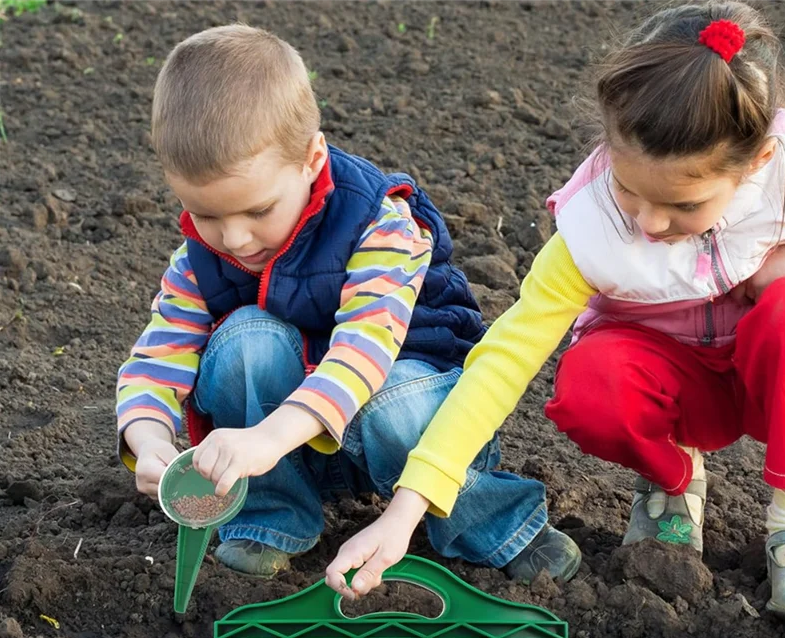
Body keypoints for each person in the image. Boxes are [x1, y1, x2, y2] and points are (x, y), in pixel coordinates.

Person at [327, 1, 785, 620]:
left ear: (756, 163)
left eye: (683, 205)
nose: (650, 223)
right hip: (672, 384)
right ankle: (673, 478)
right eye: (630, 190)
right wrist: (404, 510)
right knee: (591, 382)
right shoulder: (592, 231)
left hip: (773, 378)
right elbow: (501, 362)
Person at [115, 24, 582, 584]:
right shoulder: (200, 256)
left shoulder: (381, 222)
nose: (234, 238)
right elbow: (157, 356)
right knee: (244, 343)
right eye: (207, 215)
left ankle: (494, 525)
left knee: (395, 405)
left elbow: (363, 352)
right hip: (293, 447)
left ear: (312, 160)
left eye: (257, 211)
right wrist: (147, 439)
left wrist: (268, 436)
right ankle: (271, 519)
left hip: (404, 420)